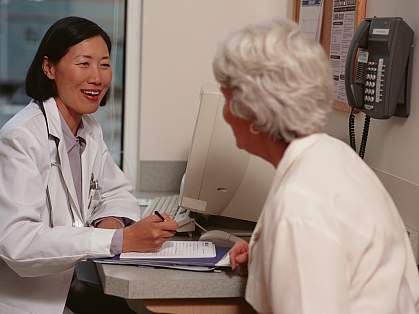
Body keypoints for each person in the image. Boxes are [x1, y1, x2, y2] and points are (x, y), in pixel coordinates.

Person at [213, 19, 419, 314]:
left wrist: (285, 247)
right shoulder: (334, 156)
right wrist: (263, 257)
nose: (225, 115)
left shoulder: (300, 204)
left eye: (227, 100)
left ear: (255, 112)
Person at [0, 16, 178, 314]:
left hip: (69, 288)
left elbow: (117, 192)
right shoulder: (21, 137)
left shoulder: (89, 129)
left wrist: (111, 222)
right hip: (28, 303)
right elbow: (18, 243)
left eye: (105, 64)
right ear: (49, 68)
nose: (97, 77)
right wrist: (116, 240)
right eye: (84, 63)